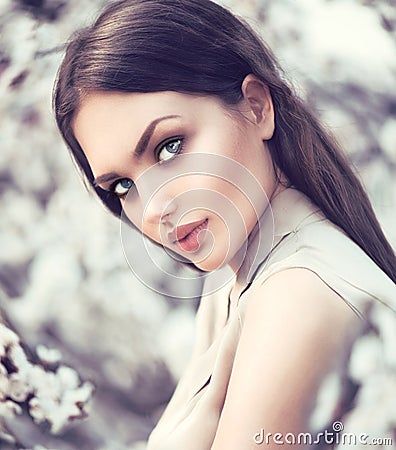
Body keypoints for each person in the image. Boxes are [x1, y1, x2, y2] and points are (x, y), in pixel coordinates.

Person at [53, 0, 396, 448]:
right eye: (121, 186)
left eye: (169, 147)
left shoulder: (296, 294)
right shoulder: (232, 285)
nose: (153, 209)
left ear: (256, 107)